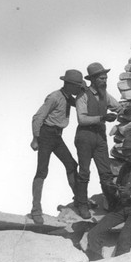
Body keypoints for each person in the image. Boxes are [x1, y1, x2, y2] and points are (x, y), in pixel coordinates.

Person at [85, 136, 131, 261]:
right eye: (125, 156)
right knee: (94, 233)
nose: (127, 159)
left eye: (129, 156)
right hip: (123, 207)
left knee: (124, 238)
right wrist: (114, 189)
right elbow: (120, 188)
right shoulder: (126, 167)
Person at [29, 69, 85, 224]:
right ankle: (35, 210)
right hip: (46, 135)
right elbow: (37, 117)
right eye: (76, 86)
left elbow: (80, 102)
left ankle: (80, 200)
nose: (77, 89)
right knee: (42, 171)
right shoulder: (55, 97)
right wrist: (36, 138)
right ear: (68, 85)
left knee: (71, 164)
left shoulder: (68, 97)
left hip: (57, 136)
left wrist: (84, 90)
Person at [74, 62, 129, 219]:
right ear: (93, 79)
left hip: (100, 137)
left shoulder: (105, 94)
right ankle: (82, 205)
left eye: (105, 78)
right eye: (101, 78)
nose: (104, 81)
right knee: (84, 172)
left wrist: (126, 110)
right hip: (85, 137)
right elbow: (82, 119)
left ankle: (112, 204)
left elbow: (117, 107)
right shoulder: (83, 95)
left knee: (105, 172)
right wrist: (102, 117)